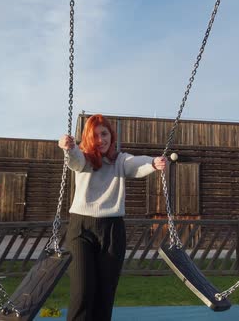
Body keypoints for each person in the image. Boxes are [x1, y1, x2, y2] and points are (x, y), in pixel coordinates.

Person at [58, 114, 166, 321]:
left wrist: (153, 162)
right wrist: (68, 147)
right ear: (88, 138)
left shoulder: (120, 160)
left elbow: (136, 163)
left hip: (112, 229)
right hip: (81, 229)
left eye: (104, 134)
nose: (101, 140)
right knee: (83, 291)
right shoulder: (84, 158)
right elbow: (74, 161)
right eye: (95, 135)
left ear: (111, 135)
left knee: (105, 293)